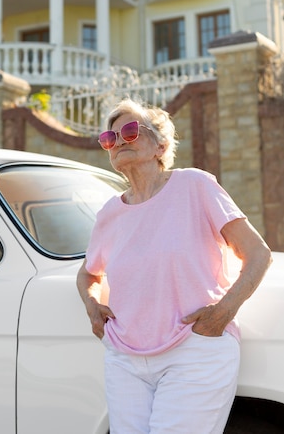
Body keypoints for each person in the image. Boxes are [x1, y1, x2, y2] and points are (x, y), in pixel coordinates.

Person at [77, 98, 272, 434]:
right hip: (125, 358)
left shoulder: (194, 185)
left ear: (161, 146)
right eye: (110, 138)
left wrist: (223, 313)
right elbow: (88, 273)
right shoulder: (110, 212)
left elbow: (258, 253)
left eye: (130, 130)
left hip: (194, 348)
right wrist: (92, 305)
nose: (119, 140)